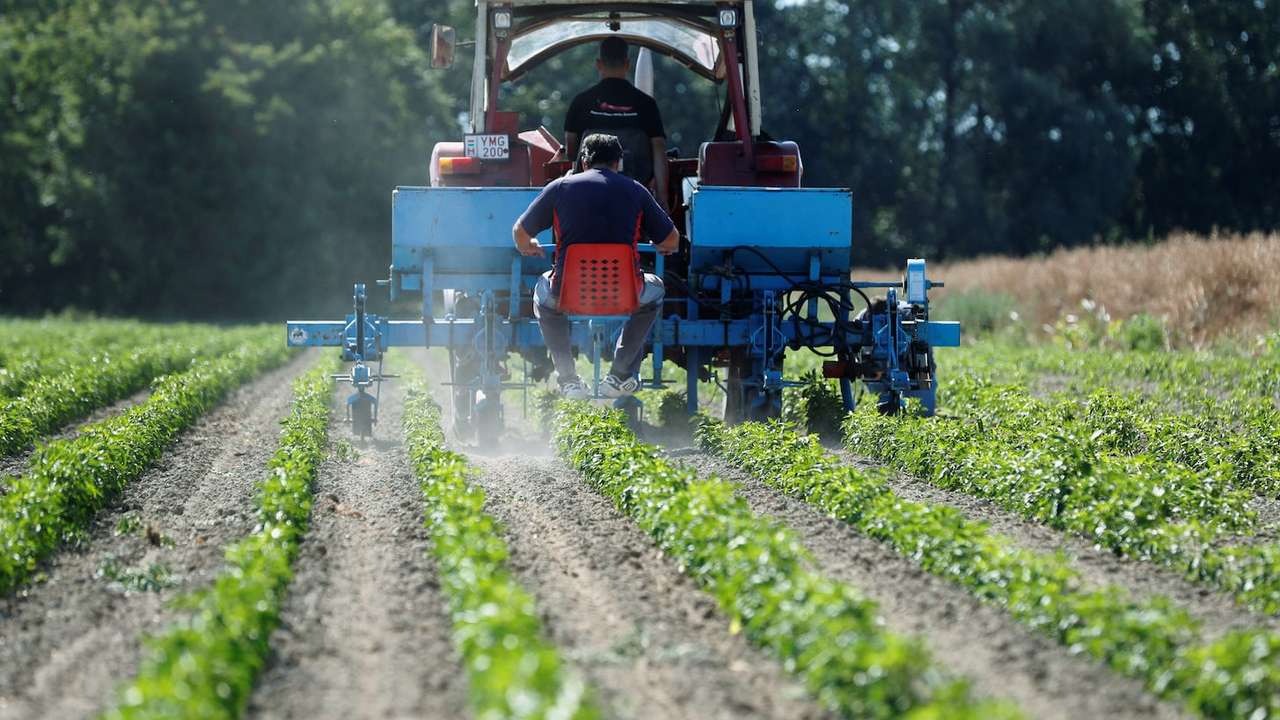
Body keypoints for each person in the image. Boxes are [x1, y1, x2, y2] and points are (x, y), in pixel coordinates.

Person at [513, 133, 679, 399]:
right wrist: (663, 247)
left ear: (584, 161)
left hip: (567, 294)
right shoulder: (636, 190)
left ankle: (568, 380)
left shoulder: (559, 187)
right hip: (625, 294)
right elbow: (671, 239)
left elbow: (520, 232)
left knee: (543, 298)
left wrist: (529, 245)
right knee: (655, 291)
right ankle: (620, 375)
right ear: (618, 162)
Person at [563, 37, 669, 210]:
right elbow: (659, 149)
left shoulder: (581, 102)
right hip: (636, 193)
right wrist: (662, 199)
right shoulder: (646, 104)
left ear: (599, 64)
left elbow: (572, 151)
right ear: (627, 64)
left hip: (588, 195)